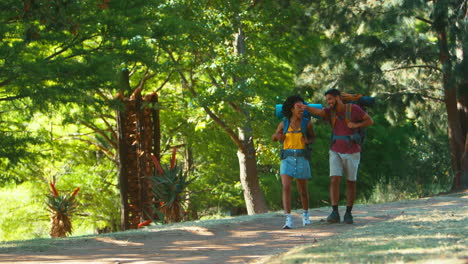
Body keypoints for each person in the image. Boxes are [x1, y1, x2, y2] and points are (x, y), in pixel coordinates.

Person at [299, 89, 373, 224]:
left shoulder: (353, 109)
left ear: (338, 98)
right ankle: (334, 212)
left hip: (352, 150)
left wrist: (355, 124)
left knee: (351, 182)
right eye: (327, 100)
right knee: (334, 179)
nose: (328, 102)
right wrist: (306, 107)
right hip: (335, 150)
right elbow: (319, 112)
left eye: (330, 99)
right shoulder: (330, 112)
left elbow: (369, 121)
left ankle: (348, 213)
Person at [272, 95, 315, 229]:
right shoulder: (284, 124)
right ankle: (288, 219)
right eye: (299, 107)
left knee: (303, 190)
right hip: (287, 158)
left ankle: (306, 215)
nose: (302, 109)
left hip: (302, 157)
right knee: (286, 187)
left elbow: (312, 137)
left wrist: (308, 141)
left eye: (303, 107)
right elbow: (274, 137)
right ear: (291, 109)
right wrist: (279, 136)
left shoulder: (306, 123)